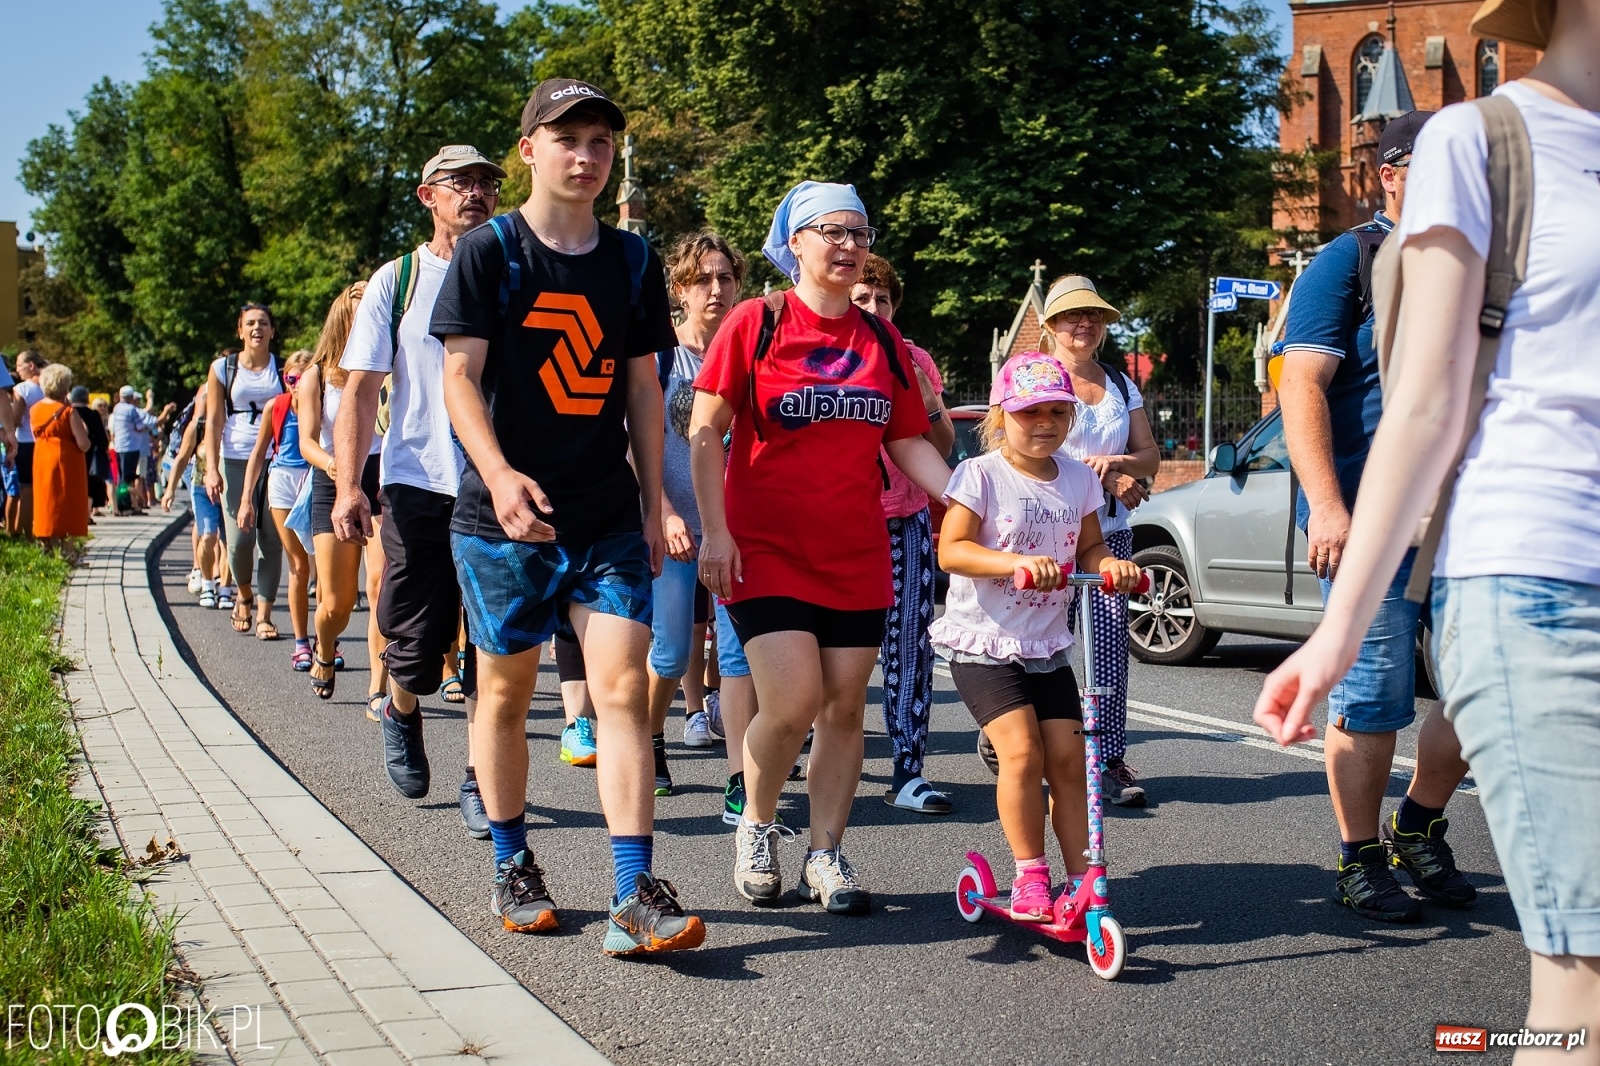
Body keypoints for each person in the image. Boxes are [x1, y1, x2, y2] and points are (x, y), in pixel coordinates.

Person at [1258, 0, 1600, 1050]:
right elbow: (1389, 395)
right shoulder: (1475, 148)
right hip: (1526, 557)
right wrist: (1338, 595)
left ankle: (1415, 825)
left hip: (1468, 540)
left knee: (1438, 726)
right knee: (1584, 990)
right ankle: (1362, 852)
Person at [434, 79, 705, 956]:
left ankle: (634, 892)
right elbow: (458, 380)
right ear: (529, 151)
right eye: (568, 139)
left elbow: (641, 389)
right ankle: (514, 864)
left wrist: (657, 500)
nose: (586, 156)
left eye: (600, 141)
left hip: (604, 518)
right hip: (500, 521)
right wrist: (501, 475)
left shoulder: (632, 259)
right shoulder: (490, 250)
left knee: (624, 693)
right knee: (506, 697)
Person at [690, 180, 951, 914]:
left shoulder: (882, 341)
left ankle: (827, 853)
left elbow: (904, 440)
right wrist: (714, 529)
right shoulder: (756, 321)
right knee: (795, 698)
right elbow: (706, 429)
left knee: (843, 710)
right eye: (831, 231)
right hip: (764, 546)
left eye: (859, 233)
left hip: (855, 550)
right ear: (795, 243)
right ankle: (758, 823)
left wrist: (964, 497)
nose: (847, 246)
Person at [1274, 110, 1475, 924]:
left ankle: (1417, 824)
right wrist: (1327, 503)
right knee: (1372, 700)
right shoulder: (1347, 259)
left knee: (1481, 692)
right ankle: (1360, 854)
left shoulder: (1478, 265)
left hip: (1468, 520)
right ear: (1390, 173)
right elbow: (1300, 384)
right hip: (1371, 521)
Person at [332, 143, 505, 839]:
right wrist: (350, 485)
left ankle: (478, 777)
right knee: (417, 640)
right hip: (416, 483)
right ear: (426, 196)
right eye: (460, 182)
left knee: (491, 642)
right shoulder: (397, 280)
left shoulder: (511, 271)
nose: (477, 193)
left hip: (495, 482)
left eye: (488, 182)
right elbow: (360, 389)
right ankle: (402, 709)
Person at [932, 351, 1141, 917]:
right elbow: (951, 550)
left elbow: (1091, 546)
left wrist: (1109, 566)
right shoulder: (980, 474)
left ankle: (1081, 879)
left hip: (1046, 645)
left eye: (1057, 411)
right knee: (1022, 754)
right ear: (1002, 415)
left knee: (1072, 762)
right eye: (1030, 413)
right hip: (986, 642)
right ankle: (1030, 875)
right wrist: (1012, 562)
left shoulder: (1077, 479)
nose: (1045, 422)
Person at [1037, 275, 1160, 807]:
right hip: (1046, 537)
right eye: (1071, 316)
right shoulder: (1040, 377)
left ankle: (1107, 760)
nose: (1083, 324)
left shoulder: (1119, 380)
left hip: (1109, 538)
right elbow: (1029, 450)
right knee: (1042, 647)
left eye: (1093, 316)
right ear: (1051, 325)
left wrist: (1121, 466)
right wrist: (1105, 478)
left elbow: (1149, 455)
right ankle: (1031, 742)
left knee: (1109, 651)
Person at [849, 253, 956, 815]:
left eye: (882, 299)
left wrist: (926, 395)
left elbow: (940, 449)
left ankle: (908, 769)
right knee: (835, 650)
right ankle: (816, 743)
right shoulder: (832, 356)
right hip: (843, 520)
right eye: (862, 298)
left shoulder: (915, 358)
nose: (873, 308)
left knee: (911, 649)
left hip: (906, 516)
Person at [645, 231, 747, 796]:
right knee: (670, 652)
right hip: (675, 527)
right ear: (680, 290)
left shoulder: (750, 350)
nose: (715, 289)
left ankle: (739, 777)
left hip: (734, 529)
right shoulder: (662, 355)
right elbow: (634, 442)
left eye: (725, 278)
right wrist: (662, 513)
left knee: (736, 656)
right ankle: (651, 736)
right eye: (702, 279)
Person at [299, 283, 387, 711]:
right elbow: (306, 442)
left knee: (380, 585)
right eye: (359, 309)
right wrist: (334, 466)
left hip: (382, 478)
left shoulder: (390, 365)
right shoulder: (317, 374)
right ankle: (324, 648)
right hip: (333, 478)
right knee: (337, 603)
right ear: (343, 317)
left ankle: (378, 687)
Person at [205, 309, 287, 639]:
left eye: (263, 323)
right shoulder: (223, 369)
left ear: (272, 331)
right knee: (240, 541)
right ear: (240, 331)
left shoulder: (282, 369)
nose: (257, 328)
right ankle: (244, 592)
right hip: (235, 458)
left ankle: (265, 615)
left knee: (271, 539)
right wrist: (211, 468)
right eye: (250, 323)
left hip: (277, 458)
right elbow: (212, 420)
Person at [239, 350, 316, 669]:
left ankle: (327, 642)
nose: (297, 385)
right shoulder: (276, 406)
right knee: (298, 564)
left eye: (303, 378)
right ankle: (301, 643)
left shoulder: (320, 404)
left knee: (323, 568)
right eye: (291, 378)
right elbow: (259, 454)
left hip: (314, 478)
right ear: (285, 379)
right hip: (282, 481)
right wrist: (246, 499)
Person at [162, 388, 226, 608]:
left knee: (230, 543)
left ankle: (225, 588)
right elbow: (181, 459)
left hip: (229, 491)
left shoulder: (235, 425)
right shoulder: (196, 427)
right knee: (208, 535)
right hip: (201, 487)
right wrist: (170, 490)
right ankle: (206, 580)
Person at [29, 364, 91, 548]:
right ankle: (67, 548)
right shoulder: (68, 411)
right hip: (66, 461)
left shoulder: (34, 409)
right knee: (67, 501)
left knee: (45, 500)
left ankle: (45, 544)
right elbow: (83, 443)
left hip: (42, 459)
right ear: (65, 386)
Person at [8, 351, 48, 536]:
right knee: (43, 491)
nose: (16, 370)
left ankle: (26, 533)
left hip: (25, 442)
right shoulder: (50, 387)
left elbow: (15, 420)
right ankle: (44, 530)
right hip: (45, 443)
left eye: (19, 365)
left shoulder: (22, 389)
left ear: (31, 365)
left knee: (25, 491)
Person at [69, 387, 109, 517]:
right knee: (89, 484)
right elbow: (102, 438)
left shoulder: (68, 412)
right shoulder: (93, 415)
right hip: (91, 454)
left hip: (71, 452)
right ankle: (86, 515)